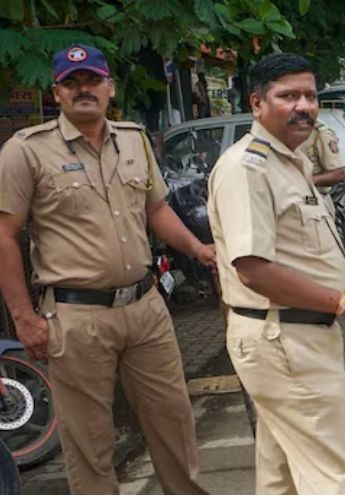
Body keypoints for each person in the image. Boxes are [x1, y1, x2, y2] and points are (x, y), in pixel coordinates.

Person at [0, 44, 214, 494]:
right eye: (72, 83)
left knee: (174, 422)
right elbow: (5, 235)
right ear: (56, 93)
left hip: (146, 308)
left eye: (92, 80)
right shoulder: (26, 151)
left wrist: (198, 248)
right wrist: (24, 317)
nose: (84, 89)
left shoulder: (134, 139)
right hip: (77, 317)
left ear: (109, 88)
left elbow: (156, 210)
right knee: (90, 441)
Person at [207, 53, 345, 494]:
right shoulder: (246, 169)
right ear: (257, 103)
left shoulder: (292, 161)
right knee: (336, 479)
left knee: (282, 477)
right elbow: (252, 270)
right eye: (288, 96)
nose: (303, 106)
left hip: (299, 337)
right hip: (284, 341)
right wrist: (341, 302)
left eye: (310, 96)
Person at [300, 118, 345, 213]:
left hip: (314, 200)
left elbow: (338, 174)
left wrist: (302, 181)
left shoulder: (319, 133)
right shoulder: (281, 131)